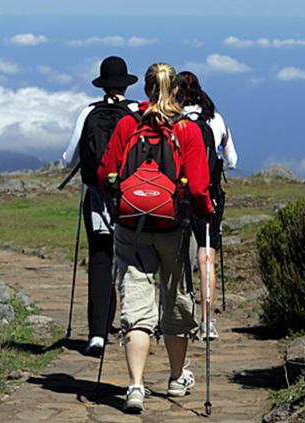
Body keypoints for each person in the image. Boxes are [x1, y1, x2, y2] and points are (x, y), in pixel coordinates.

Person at [97, 62, 214, 413]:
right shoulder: (188, 130)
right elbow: (197, 186)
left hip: (131, 227)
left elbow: (106, 173)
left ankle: (134, 386)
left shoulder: (128, 124)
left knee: (136, 305)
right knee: (176, 300)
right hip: (173, 229)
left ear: (145, 89)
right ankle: (177, 378)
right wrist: (204, 210)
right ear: (176, 90)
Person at [62, 56, 141, 356]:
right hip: (131, 199)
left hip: (96, 197)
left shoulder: (88, 112)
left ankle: (97, 333)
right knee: (133, 261)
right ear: (126, 83)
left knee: (99, 259)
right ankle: (134, 327)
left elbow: (69, 158)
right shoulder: (136, 112)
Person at [175, 71, 238, 341]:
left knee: (175, 257)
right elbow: (232, 159)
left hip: (177, 196)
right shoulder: (216, 119)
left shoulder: (173, 120)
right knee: (206, 256)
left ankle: (177, 317)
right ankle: (207, 321)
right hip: (209, 196)